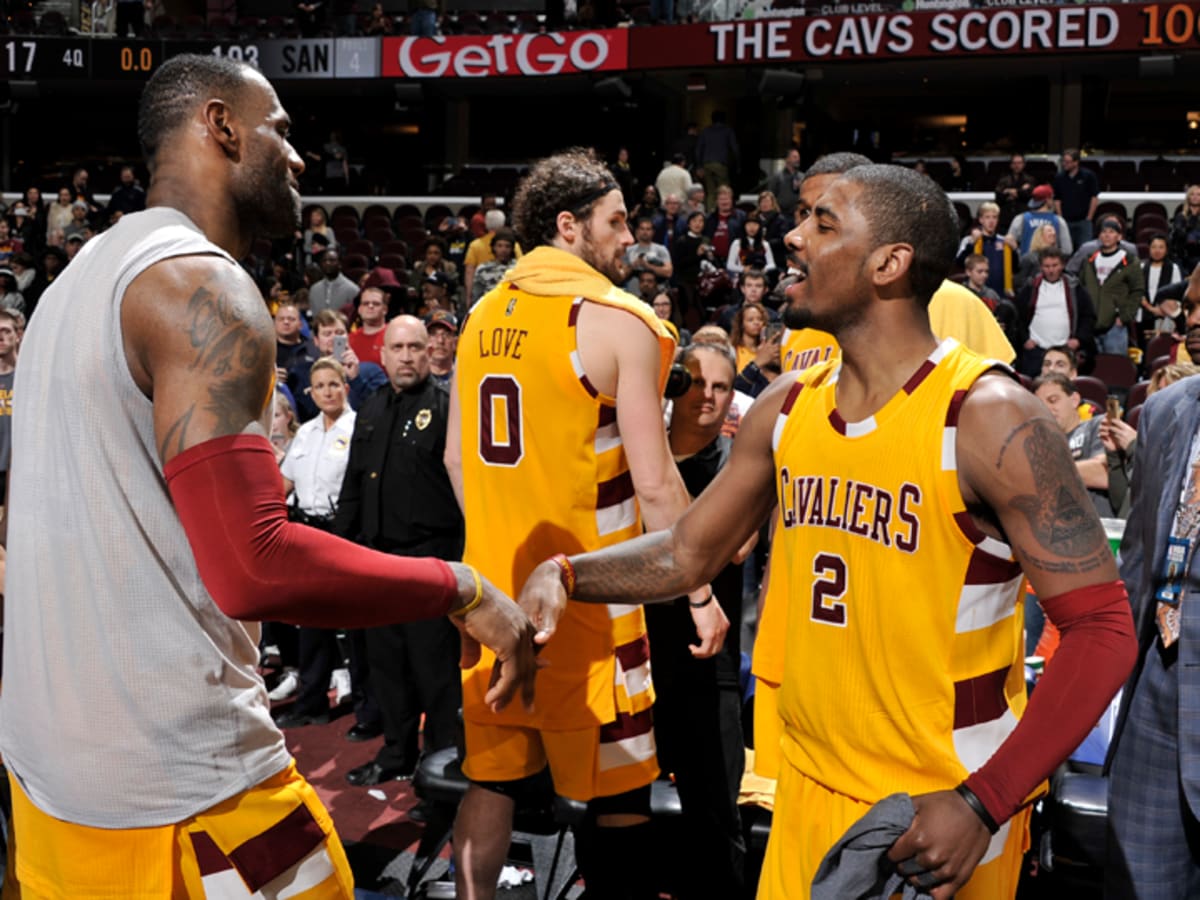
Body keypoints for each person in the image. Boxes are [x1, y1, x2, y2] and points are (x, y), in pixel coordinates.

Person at [517, 163, 1136, 900]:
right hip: (807, 790)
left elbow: (1103, 628)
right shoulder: (786, 405)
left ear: (889, 263)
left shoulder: (988, 415)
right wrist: (567, 574)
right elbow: (687, 552)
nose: (793, 235)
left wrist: (985, 801)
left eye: (824, 223)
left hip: (937, 810)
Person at [0, 53, 537, 899]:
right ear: (220, 125)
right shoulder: (200, 285)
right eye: (280, 131)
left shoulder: (70, 288)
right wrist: (461, 588)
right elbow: (253, 564)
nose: (297, 156)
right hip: (184, 786)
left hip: (50, 786)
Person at [446, 148, 728, 900]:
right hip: (591, 605)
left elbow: (455, 460)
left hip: (491, 599)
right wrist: (699, 592)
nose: (629, 237)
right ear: (568, 226)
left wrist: (504, 543)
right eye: (615, 221)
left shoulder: (479, 314)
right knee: (621, 795)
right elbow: (656, 482)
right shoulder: (620, 320)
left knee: (490, 782)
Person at [336, 316, 466, 787]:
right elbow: (354, 484)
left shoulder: (447, 409)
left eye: (415, 347)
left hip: (431, 562)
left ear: (429, 351)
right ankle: (396, 755)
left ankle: (442, 773)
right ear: (383, 354)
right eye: (398, 348)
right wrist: (341, 553)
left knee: (436, 675)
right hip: (378, 563)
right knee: (387, 668)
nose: (407, 356)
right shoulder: (370, 407)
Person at [1105, 318, 1200, 895]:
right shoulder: (1165, 410)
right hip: (1155, 699)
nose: (1194, 318)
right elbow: (1138, 559)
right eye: (1191, 305)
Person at [274, 356, 358, 724]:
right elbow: (285, 484)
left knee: (350, 623)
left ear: (345, 387)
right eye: (320, 386)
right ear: (311, 392)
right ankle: (311, 703)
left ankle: (365, 708)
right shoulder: (305, 433)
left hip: (342, 531)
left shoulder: (358, 429)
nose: (327, 392)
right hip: (305, 532)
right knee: (311, 623)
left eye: (333, 384)